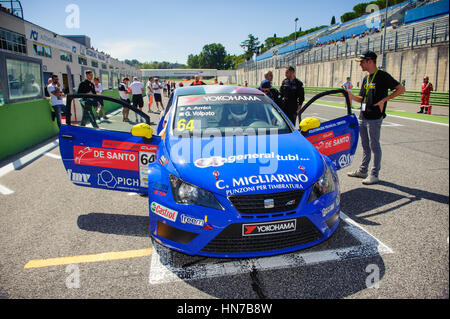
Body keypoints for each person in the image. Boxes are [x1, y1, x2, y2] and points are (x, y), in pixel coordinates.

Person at [346, 51, 405, 185]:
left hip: (375, 117)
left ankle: (374, 174)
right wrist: (349, 95)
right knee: (365, 145)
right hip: (363, 115)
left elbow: (401, 89)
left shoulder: (382, 76)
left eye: (362, 61)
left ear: (370, 61)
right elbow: (361, 99)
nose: (360, 64)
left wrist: (385, 99)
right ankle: (363, 170)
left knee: (374, 145)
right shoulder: (366, 79)